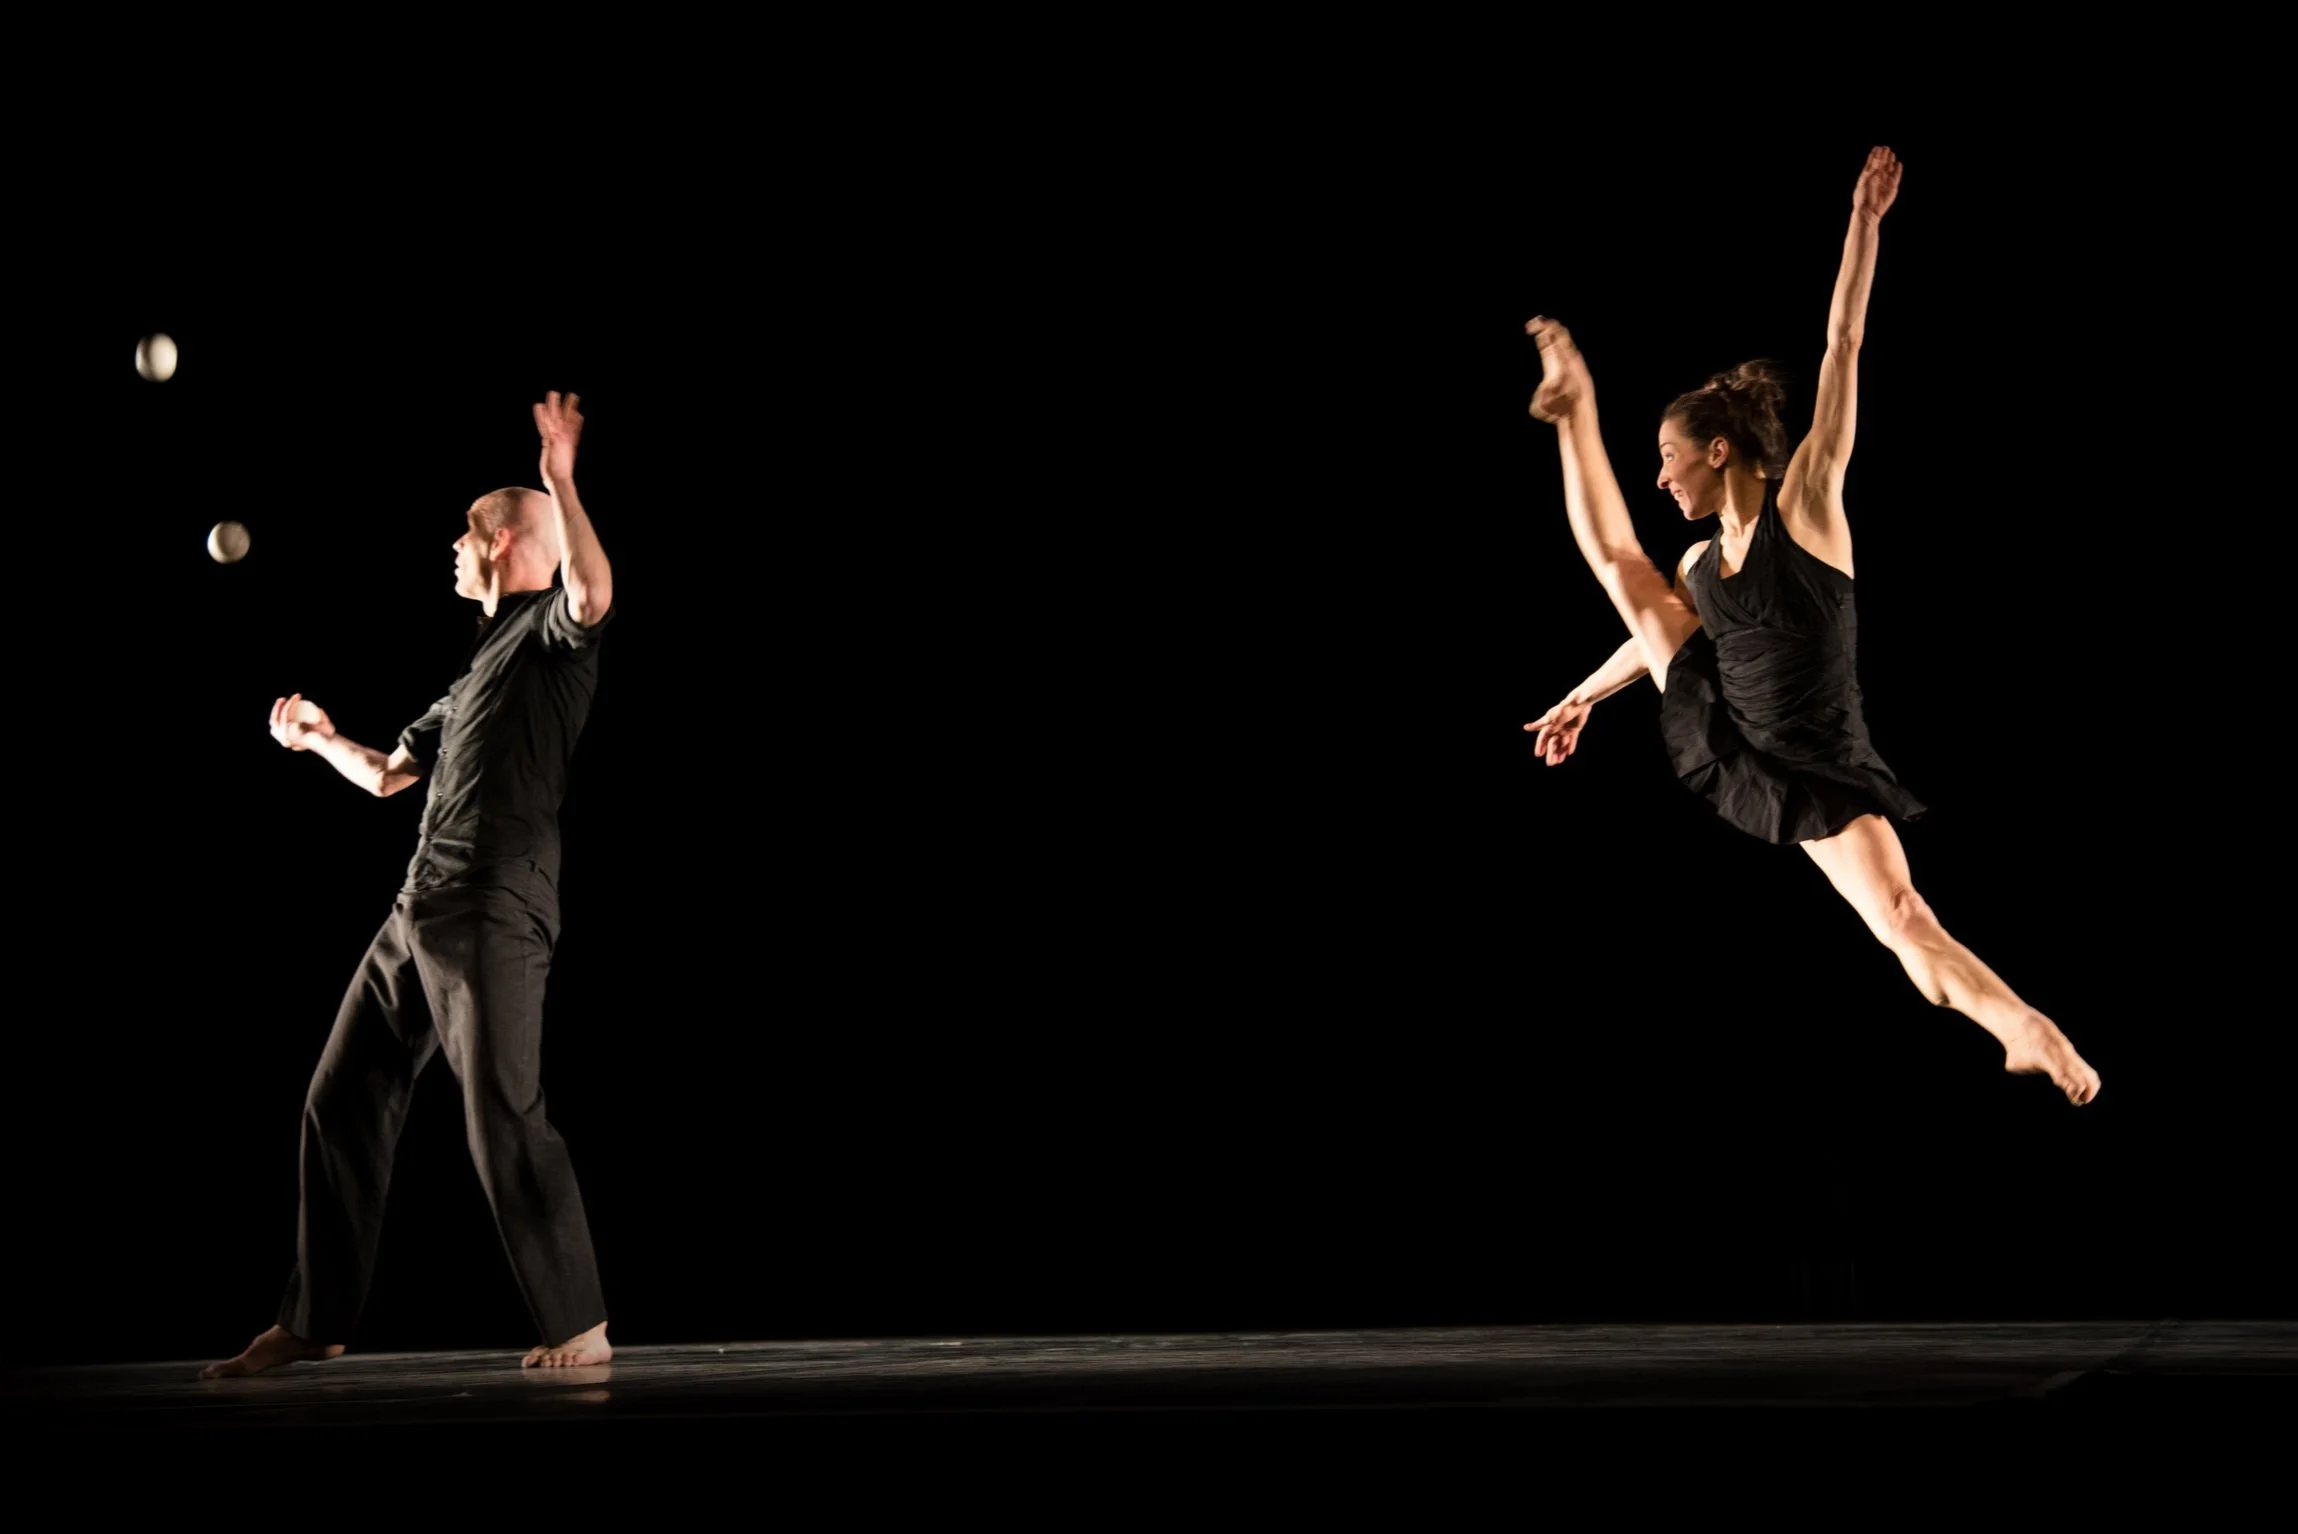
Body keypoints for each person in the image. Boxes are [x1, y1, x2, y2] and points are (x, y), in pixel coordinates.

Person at [1523, 147, 2099, 1106]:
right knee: (1630, 575)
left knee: (1904, 919)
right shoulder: (1699, 565)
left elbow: (1843, 347)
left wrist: (1864, 223)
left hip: (1819, 761)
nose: (1660, 477)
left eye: (1668, 458)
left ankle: (2027, 1028)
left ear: (1719, 451)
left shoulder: (1808, 509)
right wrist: (1580, 697)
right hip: (1733, 731)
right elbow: (1656, 636)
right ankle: (1573, 410)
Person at [203, 391, 620, 1377]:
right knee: (340, 1094)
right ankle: (316, 1319)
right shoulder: (471, 678)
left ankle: (581, 1323)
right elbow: (391, 775)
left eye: (470, 528)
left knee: (500, 1109)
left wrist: (561, 482)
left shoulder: (552, 635)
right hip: (420, 905)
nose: (454, 543)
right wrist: (319, 740)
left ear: (510, 542)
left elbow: (593, 591)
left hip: (494, 901)